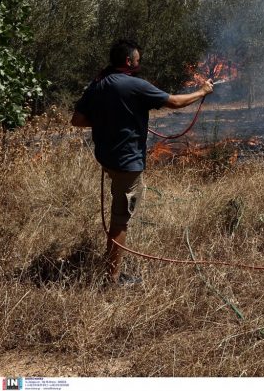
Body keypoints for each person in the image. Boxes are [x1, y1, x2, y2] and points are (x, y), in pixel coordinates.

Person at [71, 39, 214, 285]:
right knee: (121, 220)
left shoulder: (98, 83)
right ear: (128, 61)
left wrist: (110, 122)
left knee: (120, 213)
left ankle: (112, 270)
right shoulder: (135, 85)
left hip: (107, 158)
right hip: (127, 162)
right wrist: (203, 91)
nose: (139, 63)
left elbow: (77, 119)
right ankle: (112, 279)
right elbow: (175, 102)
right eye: (137, 59)